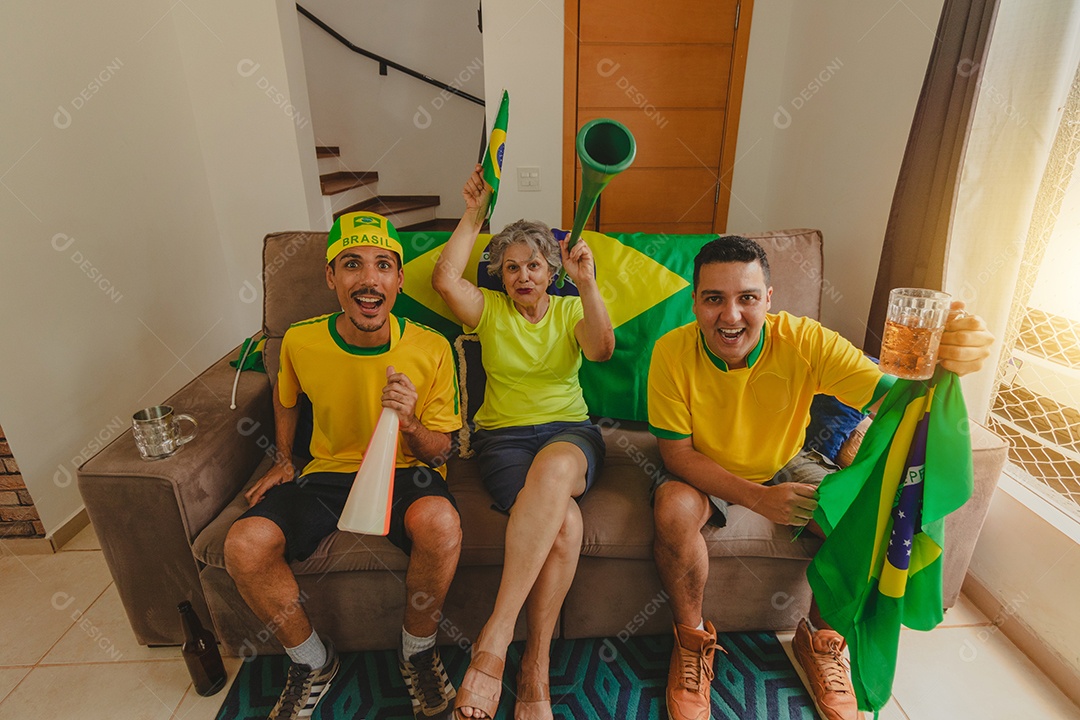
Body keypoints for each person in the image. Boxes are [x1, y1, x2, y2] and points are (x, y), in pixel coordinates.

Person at [648, 235, 993, 720]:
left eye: (747, 298)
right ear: (695, 303)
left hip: (786, 459)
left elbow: (895, 400)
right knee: (672, 509)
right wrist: (758, 499)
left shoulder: (805, 339)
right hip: (706, 465)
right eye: (714, 299)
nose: (730, 316)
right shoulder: (670, 352)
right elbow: (677, 455)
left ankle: (822, 638)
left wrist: (944, 367)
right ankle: (690, 643)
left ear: (769, 299)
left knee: (858, 513)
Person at [224, 211, 464, 720]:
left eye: (382, 265)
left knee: (441, 524)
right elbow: (286, 399)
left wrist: (412, 421)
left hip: (405, 472)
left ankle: (417, 655)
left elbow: (441, 452)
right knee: (244, 545)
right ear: (331, 277)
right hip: (327, 475)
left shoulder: (431, 346)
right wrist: (285, 459)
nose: (369, 278)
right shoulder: (300, 340)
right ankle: (312, 662)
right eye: (352, 264)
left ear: (398, 280)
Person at [431, 166, 614, 720]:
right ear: (501, 276)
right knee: (565, 528)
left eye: (533, 264)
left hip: (570, 435)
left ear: (550, 269)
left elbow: (603, 350)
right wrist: (473, 214)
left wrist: (587, 284)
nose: (522, 275)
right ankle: (535, 665)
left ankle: (494, 639)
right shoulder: (488, 313)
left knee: (557, 470)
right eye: (510, 267)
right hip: (503, 442)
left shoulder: (568, 308)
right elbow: (444, 279)